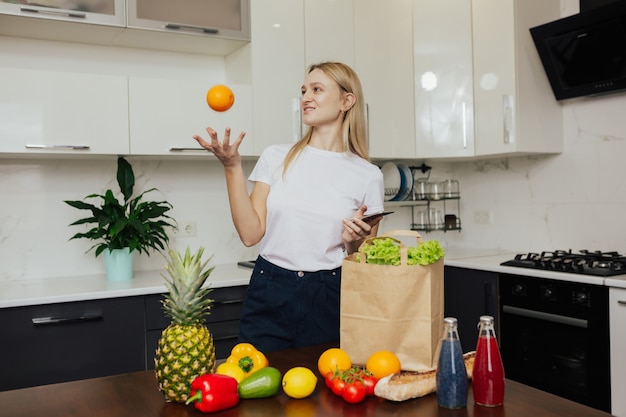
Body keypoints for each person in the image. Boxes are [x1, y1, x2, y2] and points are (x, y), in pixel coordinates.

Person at [193, 62, 385, 352]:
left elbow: (364, 261)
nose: (306, 96)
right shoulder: (276, 156)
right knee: (253, 384)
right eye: (304, 90)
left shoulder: (368, 175)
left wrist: (352, 243)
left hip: (330, 294)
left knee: (322, 392)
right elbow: (250, 234)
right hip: (270, 287)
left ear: (347, 101)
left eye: (317, 89)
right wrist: (232, 167)